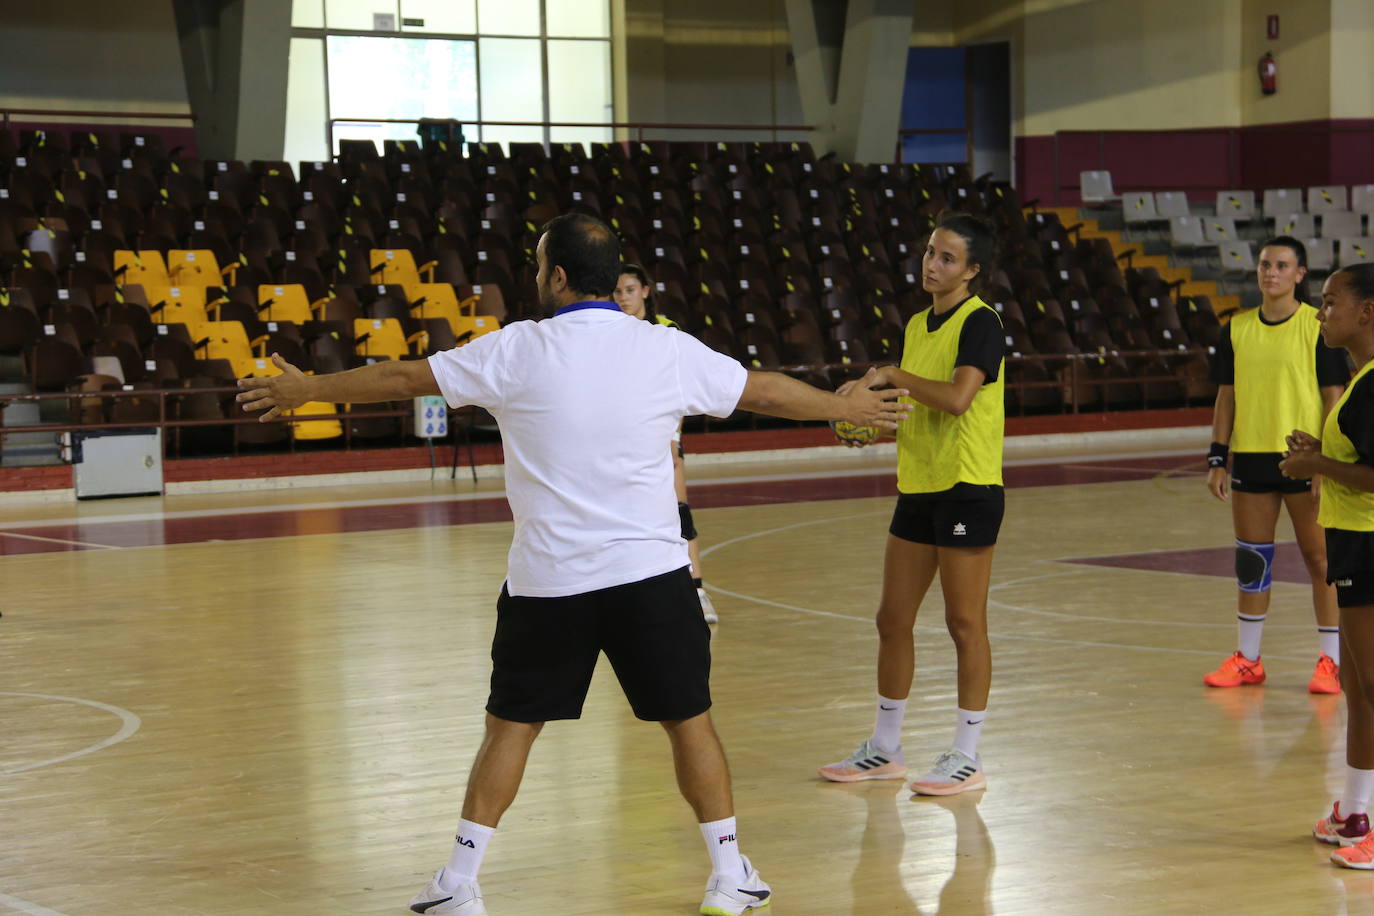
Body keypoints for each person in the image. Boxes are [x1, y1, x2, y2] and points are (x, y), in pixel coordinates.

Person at [237, 213, 911, 916]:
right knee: (689, 723)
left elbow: (406, 375)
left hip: (548, 584)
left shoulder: (515, 350)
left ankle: (460, 884)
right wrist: (839, 406)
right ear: (609, 277)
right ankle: (729, 875)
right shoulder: (664, 348)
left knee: (510, 728)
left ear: (557, 276)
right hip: (652, 579)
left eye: (536, 265)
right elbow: (764, 390)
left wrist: (307, 389)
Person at [818, 212, 1005, 796]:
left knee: (964, 622)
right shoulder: (920, 324)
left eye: (947, 257)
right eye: (929, 252)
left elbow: (956, 399)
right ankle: (885, 747)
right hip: (919, 485)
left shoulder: (982, 323)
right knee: (891, 619)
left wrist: (894, 375)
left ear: (972, 270)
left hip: (967, 488)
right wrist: (874, 416)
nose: (932, 263)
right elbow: (918, 404)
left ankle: (968, 755)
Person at [1203, 237, 1350, 693]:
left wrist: (1325, 465)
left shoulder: (1317, 326)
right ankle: (1248, 660)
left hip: (1304, 460)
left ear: (1300, 275)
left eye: (1282, 266)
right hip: (1250, 457)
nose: (1271, 273)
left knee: (1320, 558)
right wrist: (1217, 457)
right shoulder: (1236, 329)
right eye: (1266, 264)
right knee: (1253, 561)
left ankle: (1331, 661)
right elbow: (1226, 397)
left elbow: (1333, 398)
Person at [1277, 264, 1374, 865]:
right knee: (1358, 688)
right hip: (1352, 543)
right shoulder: (1360, 381)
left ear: (1367, 312)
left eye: (1332, 302)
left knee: (1372, 687)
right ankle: (1356, 808)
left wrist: (1316, 469)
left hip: (1369, 543)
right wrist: (1321, 455)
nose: (1322, 312)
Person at [613, 264, 718, 623]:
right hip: (627, 438)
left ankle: (698, 591)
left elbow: (680, 386)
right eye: (617, 291)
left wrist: (671, 437)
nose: (623, 297)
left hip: (664, 435)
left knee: (679, 510)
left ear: (645, 290)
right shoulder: (615, 331)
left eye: (629, 289)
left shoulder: (666, 331)